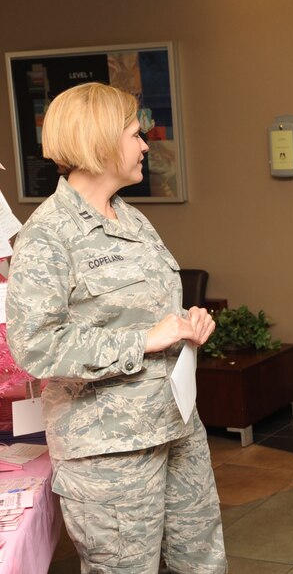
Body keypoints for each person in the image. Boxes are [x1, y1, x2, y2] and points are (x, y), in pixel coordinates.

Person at [6, 83, 227, 573]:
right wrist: (145, 340)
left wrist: (186, 324)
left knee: (204, 562)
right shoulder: (48, 235)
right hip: (109, 452)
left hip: (175, 425)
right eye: (135, 134)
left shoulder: (132, 218)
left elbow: (145, 312)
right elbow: (35, 344)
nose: (146, 145)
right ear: (100, 142)